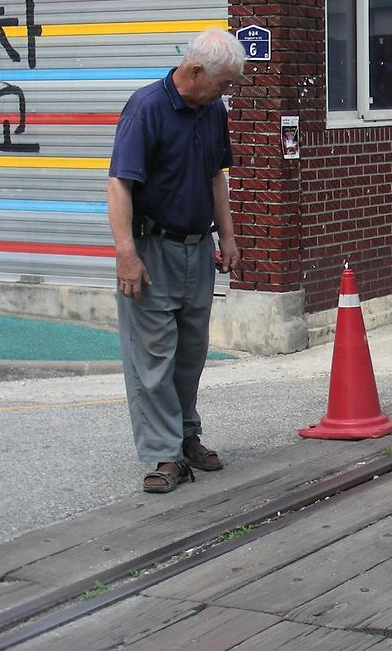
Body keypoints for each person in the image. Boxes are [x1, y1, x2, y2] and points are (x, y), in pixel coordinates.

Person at [107, 28, 246, 494]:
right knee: (152, 359)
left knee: (190, 354)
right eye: (225, 83)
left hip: (196, 249)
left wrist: (226, 235)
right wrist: (126, 254)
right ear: (196, 71)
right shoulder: (146, 107)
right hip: (152, 250)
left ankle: (186, 437)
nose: (228, 92)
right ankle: (161, 455)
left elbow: (216, 176)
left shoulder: (212, 111)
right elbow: (120, 183)